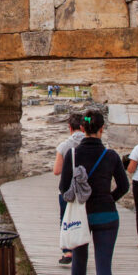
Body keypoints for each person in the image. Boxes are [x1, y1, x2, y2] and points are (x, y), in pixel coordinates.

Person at [58, 109, 129, 275]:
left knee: (79, 258)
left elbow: (63, 188)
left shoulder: (73, 154)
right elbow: (124, 186)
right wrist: (109, 199)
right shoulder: (111, 155)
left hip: (81, 215)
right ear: (101, 129)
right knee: (103, 265)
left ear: (82, 128)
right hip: (106, 214)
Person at [53, 112, 86, 265]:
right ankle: (81, 249)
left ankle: (67, 251)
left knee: (66, 219)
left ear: (70, 127)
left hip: (68, 190)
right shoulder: (92, 144)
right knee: (84, 219)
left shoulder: (64, 146)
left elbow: (56, 171)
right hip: (86, 190)